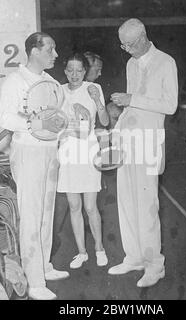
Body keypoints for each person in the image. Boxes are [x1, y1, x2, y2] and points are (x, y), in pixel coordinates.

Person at [0, 32, 69, 300]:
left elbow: (60, 117)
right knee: (31, 215)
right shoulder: (15, 81)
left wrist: (71, 122)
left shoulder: (51, 82)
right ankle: (34, 281)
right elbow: (6, 118)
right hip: (28, 153)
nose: (56, 54)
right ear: (35, 51)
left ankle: (44, 266)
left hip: (51, 152)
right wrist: (36, 124)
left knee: (46, 214)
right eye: (50, 49)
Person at [109, 18, 178, 287]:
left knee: (148, 206)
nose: (125, 49)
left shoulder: (166, 62)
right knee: (126, 200)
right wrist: (119, 126)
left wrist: (131, 100)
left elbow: (170, 105)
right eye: (122, 44)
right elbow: (132, 106)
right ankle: (134, 257)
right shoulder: (131, 63)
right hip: (128, 140)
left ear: (142, 38)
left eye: (128, 44)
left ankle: (154, 265)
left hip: (149, 142)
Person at [57, 53, 110, 270]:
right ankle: (82, 252)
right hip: (68, 150)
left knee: (90, 205)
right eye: (71, 70)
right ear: (65, 71)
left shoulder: (92, 88)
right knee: (73, 205)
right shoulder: (59, 91)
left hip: (88, 150)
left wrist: (97, 100)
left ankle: (99, 249)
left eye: (79, 70)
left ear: (85, 71)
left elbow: (105, 121)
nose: (75, 74)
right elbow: (55, 123)